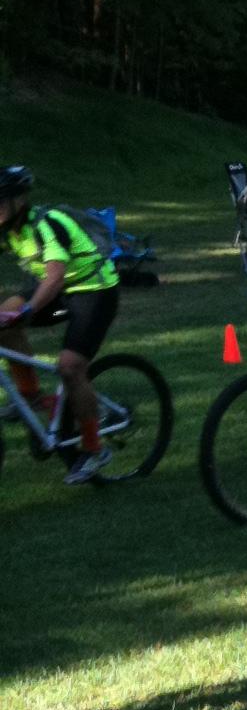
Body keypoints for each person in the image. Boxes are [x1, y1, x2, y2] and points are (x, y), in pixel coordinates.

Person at [0, 165, 120, 481]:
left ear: (18, 200)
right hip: (58, 295)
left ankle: (95, 449)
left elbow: (54, 277)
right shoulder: (8, 228)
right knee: (2, 318)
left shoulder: (46, 224)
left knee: (69, 367)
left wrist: (26, 312)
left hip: (94, 292)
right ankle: (31, 396)